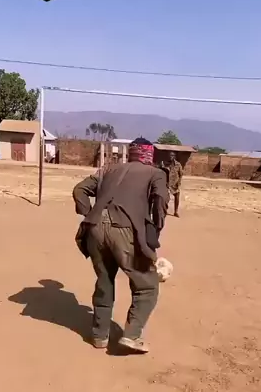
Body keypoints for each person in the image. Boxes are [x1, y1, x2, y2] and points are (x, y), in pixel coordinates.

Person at [72, 138, 169, 354]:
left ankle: (99, 336)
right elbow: (160, 201)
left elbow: (80, 190)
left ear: (131, 153)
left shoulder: (108, 169)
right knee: (147, 285)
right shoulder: (156, 173)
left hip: (94, 230)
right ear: (149, 154)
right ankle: (132, 335)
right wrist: (155, 230)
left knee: (105, 280)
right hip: (124, 230)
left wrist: (90, 214)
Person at [162, 151, 183, 217]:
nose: (170, 157)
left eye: (172, 155)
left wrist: (178, 183)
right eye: (170, 155)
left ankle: (175, 211)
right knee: (165, 198)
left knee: (177, 197)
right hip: (167, 183)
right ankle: (164, 210)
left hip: (175, 184)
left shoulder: (178, 164)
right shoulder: (165, 164)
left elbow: (181, 174)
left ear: (174, 156)